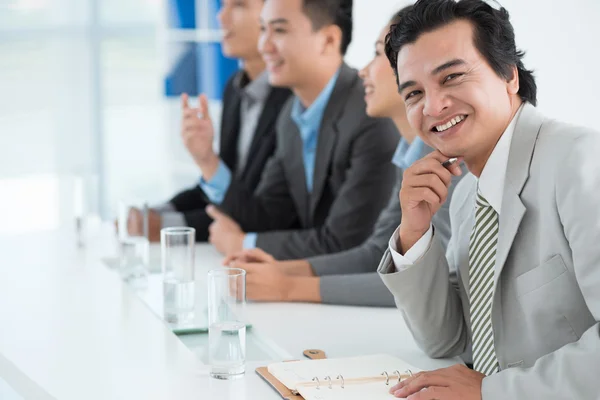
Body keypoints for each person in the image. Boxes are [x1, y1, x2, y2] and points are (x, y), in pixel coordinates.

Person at [374, 1, 600, 399]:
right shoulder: (466, 198)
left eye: (452, 77)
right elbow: (447, 341)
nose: (432, 106)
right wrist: (414, 232)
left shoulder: (580, 161)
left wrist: (493, 391)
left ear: (509, 75)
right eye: (414, 93)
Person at [224, 7, 465, 306]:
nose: (363, 70)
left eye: (378, 54)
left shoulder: (446, 158)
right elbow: (378, 251)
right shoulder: (413, 155)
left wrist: (287, 286)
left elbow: (422, 283)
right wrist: (281, 271)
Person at [201, 0, 399, 259]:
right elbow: (268, 216)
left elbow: (347, 241)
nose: (264, 46)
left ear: (328, 40)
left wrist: (244, 244)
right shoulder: (290, 116)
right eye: (263, 29)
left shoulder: (371, 114)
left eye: (280, 31)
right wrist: (206, 159)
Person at [145, 0, 292, 242]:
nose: (221, 17)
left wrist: (167, 226)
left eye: (239, 5)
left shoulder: (294, 98)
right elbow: (222, 187)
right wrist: (161, 211)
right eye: (223, 5)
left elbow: (257, 216)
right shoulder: (235, 89)